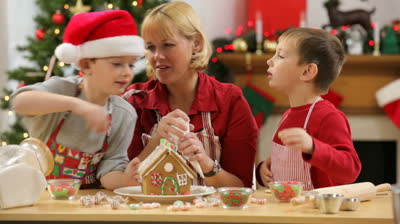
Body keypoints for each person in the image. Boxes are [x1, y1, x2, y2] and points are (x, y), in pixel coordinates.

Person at [124, 1, 258, 188]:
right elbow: (121, 180)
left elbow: (241, 186)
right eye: (151, 47)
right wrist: (156, 142)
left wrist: (206, 163)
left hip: (211, 217)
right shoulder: (135, 101)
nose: (157, 56)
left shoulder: (230, 101)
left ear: (196, 43)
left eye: (167, 45)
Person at [12, 10, 145, 190]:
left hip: (85, 206)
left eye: (131, 64)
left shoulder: (125, 114)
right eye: (117, 64)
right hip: (39, 198)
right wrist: (77, 105)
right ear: (86, 64)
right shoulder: (62, 90)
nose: (127, 72)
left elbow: (109, 170)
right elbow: (20, 102)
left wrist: (124, 181)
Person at [256, 28, 361, 190]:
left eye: (281, 56)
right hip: (287, 212)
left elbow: (350, 168)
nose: (269, 61)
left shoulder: (329, 117)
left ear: (307, 71)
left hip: (315, 213)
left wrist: (313, 147)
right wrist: (264, 170)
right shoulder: (287, 116)